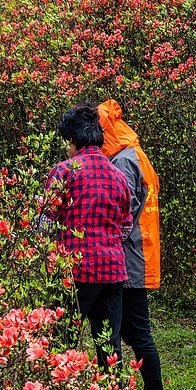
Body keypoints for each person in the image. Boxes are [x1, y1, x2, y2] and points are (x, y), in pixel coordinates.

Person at [47, 104, 132, 368]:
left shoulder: (64, 171)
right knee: (110, 345)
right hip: (112, 271)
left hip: (76, 272)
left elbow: (46, 220)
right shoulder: (118, 176)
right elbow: (125, 226)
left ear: (72, 139)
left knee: (62, 341)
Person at [98, 99, 165, 390]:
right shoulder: (135, 153)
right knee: (133, 331)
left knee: (137, 332)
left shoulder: (123, 160)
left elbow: (123, 212)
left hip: (129, 259)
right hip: (139, 253)